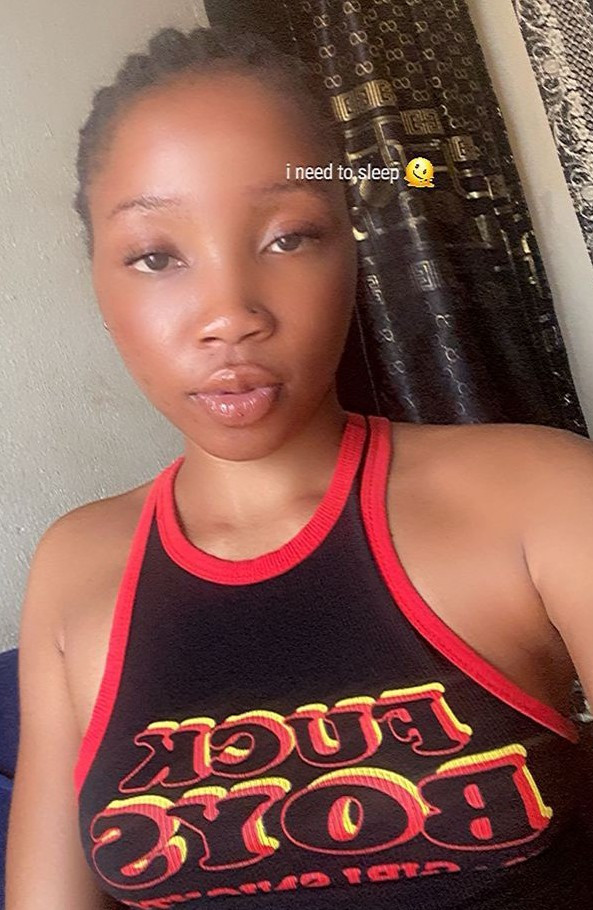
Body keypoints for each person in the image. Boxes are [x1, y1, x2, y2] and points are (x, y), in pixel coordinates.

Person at [5, 23, 593, 910]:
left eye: (288, 237)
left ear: (349, 250)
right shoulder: (76, 564)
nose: (229, 314)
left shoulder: (541, 494)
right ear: (97, 276)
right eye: (157, 256)